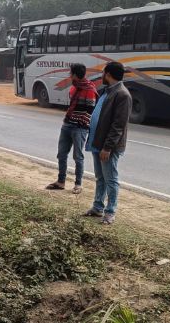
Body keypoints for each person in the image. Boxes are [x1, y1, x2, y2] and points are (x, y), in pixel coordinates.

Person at [82, 61, 131, 225]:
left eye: (103, 73)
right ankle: (97, 207)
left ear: (108, 74)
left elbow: (118, 125)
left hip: (107, 147)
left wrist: (107, 147)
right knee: (100, 178)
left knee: (111, 179)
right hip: (98, 142)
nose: (102, 75)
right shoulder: (107, 91)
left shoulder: (122, 95)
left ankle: (110, 212)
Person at [46, 64, 97, 194]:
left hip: (79, 128)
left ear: (75, 74)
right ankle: (61, 181)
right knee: (61, 154)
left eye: (71, 73)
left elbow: (89, 111)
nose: (69, 75)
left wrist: (78, 121)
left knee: (78, 157)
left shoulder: (89, 89)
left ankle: (78, 184)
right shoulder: (74, 87)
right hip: (68, 124)